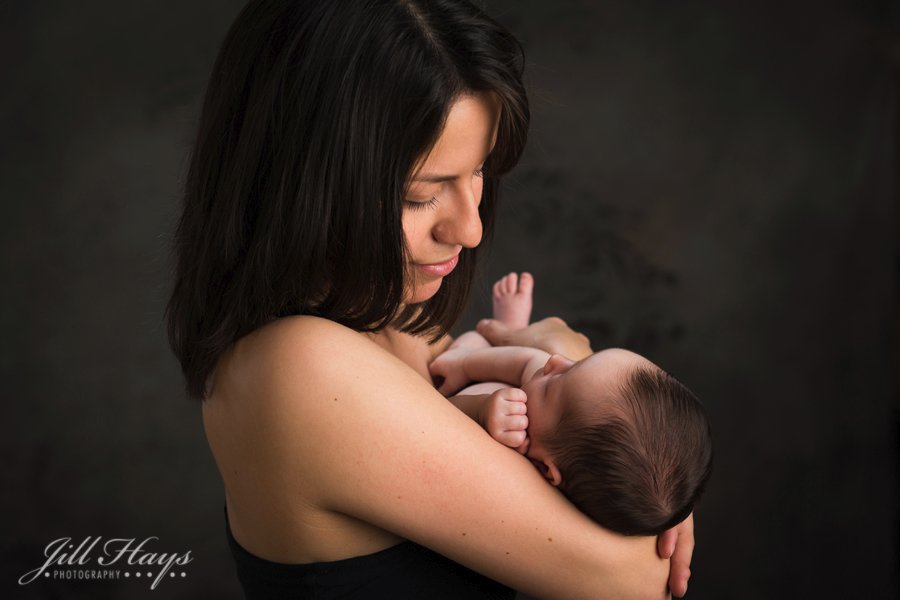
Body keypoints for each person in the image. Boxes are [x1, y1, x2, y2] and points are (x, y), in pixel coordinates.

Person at [166, 1, 695, 598]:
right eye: (422, 194)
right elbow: (637, 577)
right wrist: (564, 347)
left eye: (479, 173)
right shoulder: (296, 367)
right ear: (302, 183)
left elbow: (598, 451)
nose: (469, 231)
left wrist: (646, 460)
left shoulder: (392, 320)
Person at [430, 273, 713, 536]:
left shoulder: (512, 483)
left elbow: (436, 420)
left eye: (556, 383)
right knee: (475, 343)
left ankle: (501, 337)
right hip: (495, 368)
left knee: (481, 356)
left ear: (546, 470)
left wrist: (480, 411)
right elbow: (528, 362)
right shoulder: (553, 404)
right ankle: (511, 328)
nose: (556, 360)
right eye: (579, 362)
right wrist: (465, 365)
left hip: (461, 408)